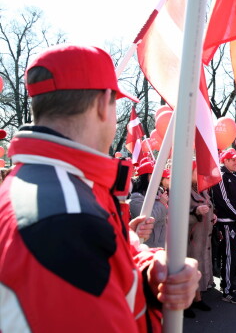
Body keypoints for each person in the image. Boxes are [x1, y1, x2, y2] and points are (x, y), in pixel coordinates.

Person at [0, 45, 200, 332]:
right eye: (115, 103)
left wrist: (148, 270)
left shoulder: (58, 186)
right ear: (102, 102)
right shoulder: (67, 216)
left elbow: (107, 261)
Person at [211, 149, 236, 304]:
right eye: (232, 160)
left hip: (234, 222)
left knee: (230, 256)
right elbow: (224, 201)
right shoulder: (222, 176)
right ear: (224, 160)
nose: (235, 162)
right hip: (227, 223)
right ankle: (227, 292)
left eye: (235, 160)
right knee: (229, 256)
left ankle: (227, 283)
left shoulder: (233, 176)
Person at [185, 162, 217, 318]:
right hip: (190, 239)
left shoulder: (201, 189)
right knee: (190, 269)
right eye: (197, 171)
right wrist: (195, 211)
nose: (200, 174)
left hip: (203, 236)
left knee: (199, 266)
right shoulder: (182, 190)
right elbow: (177, 215)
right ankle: (186, 303)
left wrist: (213, 215)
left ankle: (197, 298)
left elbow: (209, 206)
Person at [129, 162, 169, 248]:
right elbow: (147, 219)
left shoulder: (159, 192)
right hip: (147, 245)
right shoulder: (136, 197)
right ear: (145, 177)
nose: (157, 179)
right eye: (153, 175)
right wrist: (161, 204)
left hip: (160, 243)